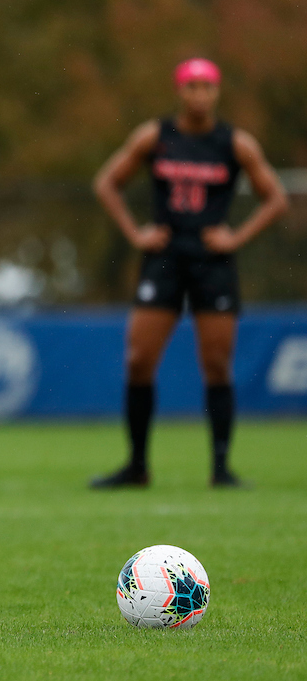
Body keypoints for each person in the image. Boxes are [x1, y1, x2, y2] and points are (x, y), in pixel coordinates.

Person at [90, 58, 288, 489]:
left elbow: (275, 198)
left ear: (217, 92)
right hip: (163, 257)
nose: (199, 94)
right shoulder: (155, 136)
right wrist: (134, 232)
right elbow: (107, 182)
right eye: (192, 86)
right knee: (139, 359)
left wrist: (236, 237)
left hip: (212, 261)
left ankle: (221, 468)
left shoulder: (235, 143)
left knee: (216, 363)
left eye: (207, 86)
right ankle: (137, 465)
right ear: (179, 91)